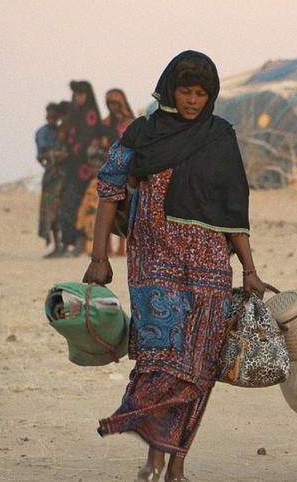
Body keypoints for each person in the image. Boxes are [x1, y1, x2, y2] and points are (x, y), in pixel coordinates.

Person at [83, 51, 265, 482]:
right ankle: (153, 454)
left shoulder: (219, 135)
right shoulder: (143, 132)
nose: (193, 100)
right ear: (170, 89)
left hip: (208, 269)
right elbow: (108, 189)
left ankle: (176, 462)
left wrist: (250, 270)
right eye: (186, 90)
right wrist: (98, 258)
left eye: (202, 92)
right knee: (157, 359)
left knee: (200, 366)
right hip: (152, 262)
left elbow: (233, 208)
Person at [58, 80, 116, 257]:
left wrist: (71, 154)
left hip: (85, 170)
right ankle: (70, 244)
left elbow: (84, 142)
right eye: (76, 95)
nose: (79, 98)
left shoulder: (90, 115)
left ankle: (79, 244)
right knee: (70, 206)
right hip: (74, 169)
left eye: (81, 94)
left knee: (79, 207)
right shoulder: (76, 115)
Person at [102, 88, 135, 256]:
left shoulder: (131, 123)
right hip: (107, 171)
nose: (113, 107)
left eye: (115, 103)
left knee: (123, 208)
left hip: (126, 171)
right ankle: (106, 249)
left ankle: (122, 248)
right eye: (110, 103)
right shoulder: (104, 124)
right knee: (106, 208)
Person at [36, 102, 64, 256]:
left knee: (60, 210)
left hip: (63, 175)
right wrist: (54, 156)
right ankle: (56, 245)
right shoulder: (42, 132)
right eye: (49, 116)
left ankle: (61, 245)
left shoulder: (63, 132)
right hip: (51, 175)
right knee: (50, 210)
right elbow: (41, 155)